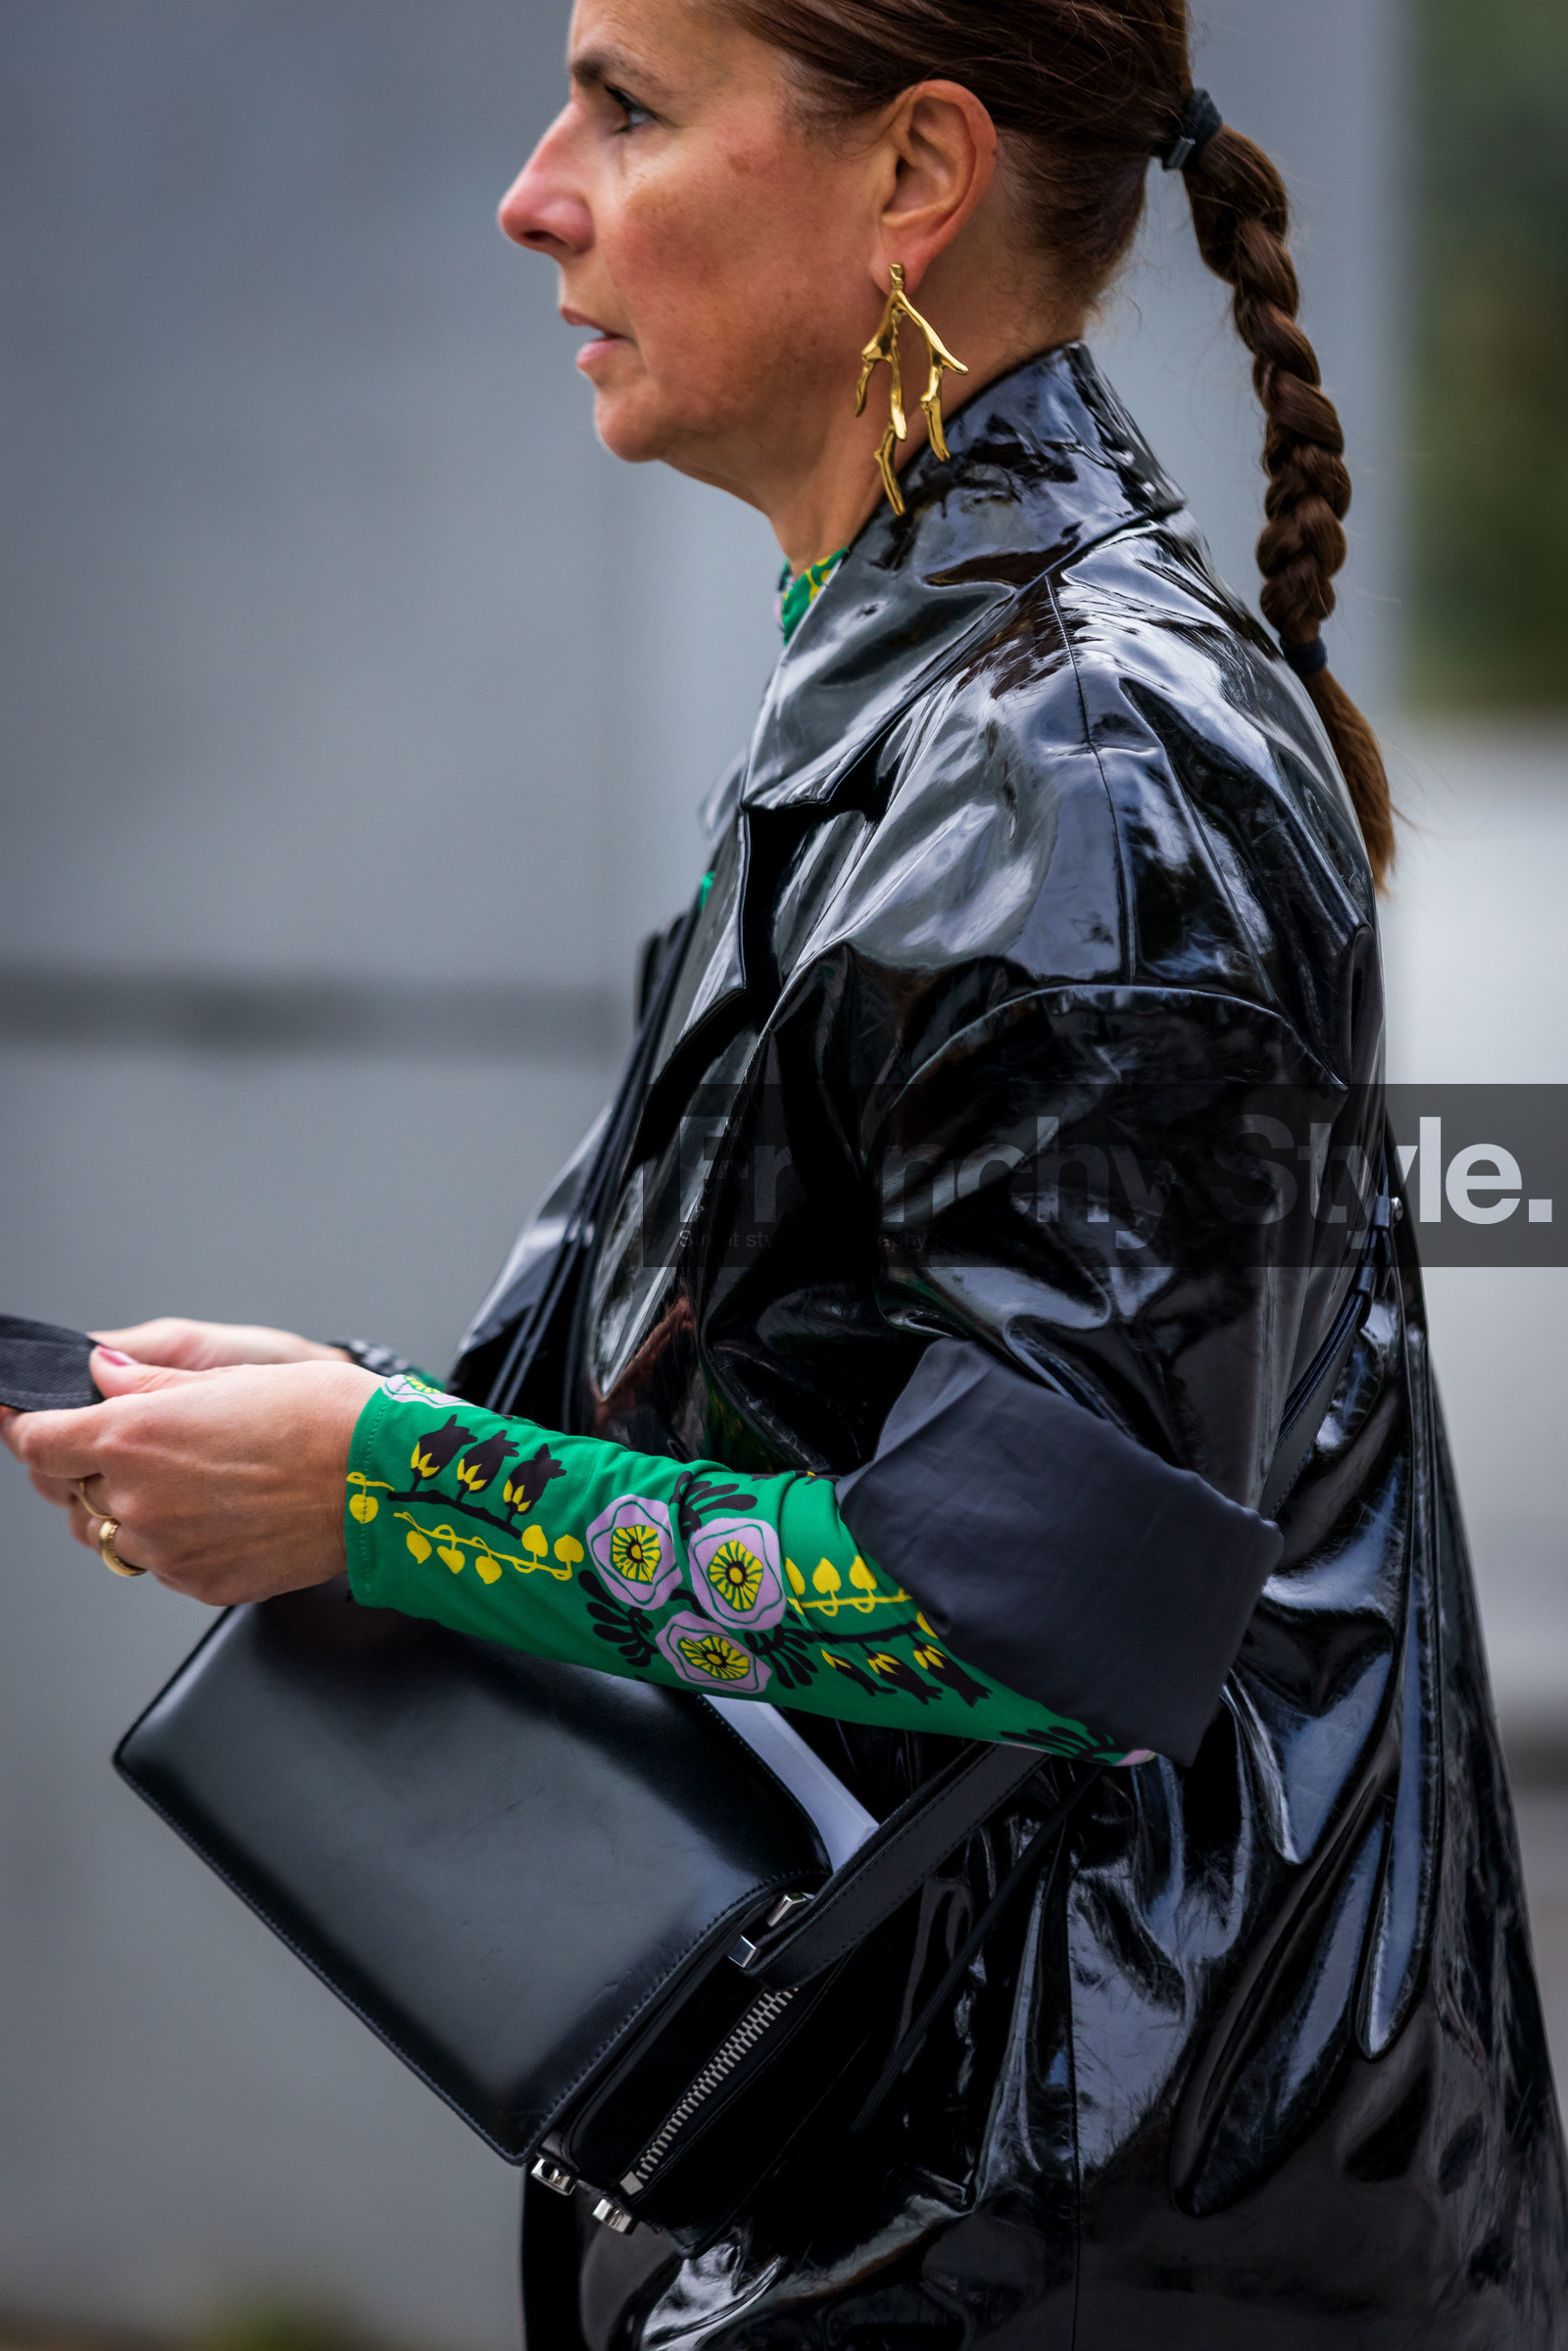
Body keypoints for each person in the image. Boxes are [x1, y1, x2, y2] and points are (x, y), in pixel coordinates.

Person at [5, 0, 1566, 2339]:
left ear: (911, 176)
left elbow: (1027, 1607)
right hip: (961, 2184)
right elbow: (869, 1423)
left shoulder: (1081, 760)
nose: (534, 191)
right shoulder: (937, 688)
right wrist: (333, 1427)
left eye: (627, 107)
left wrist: (395, 1491)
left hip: (1075, 2230)